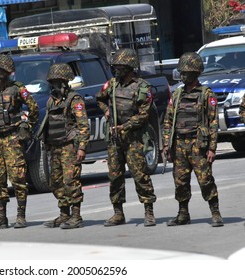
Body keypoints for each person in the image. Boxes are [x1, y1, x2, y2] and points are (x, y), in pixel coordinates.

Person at [96, 48, 157, 227]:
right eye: (116, 68)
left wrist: (125, 126)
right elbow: (99, 98)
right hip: (115, 139)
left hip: (134, 139)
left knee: (140, 175)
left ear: (130, 67)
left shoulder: (142, 87)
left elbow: (143, 115)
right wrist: (106, 111)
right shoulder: (112, 84)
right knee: (115, 176)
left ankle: (149, 211)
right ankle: (118, 213)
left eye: (121, 68)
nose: (117, 71)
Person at [163, 52, 224, 227]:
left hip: (199, 145)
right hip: (179, 145)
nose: (182, 76)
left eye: (186, 73)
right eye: (181, 72)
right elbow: (168, 121)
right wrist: (167, 145)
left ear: (195, 73)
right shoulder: (177, 95)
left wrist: (212, 148)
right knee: (180, 181)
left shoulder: (206, 94)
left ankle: (215, 212)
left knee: (205, 180)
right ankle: (183, 214)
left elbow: (213, 123)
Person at [0, 53, 39, 229]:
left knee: (18, 177)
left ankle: (20, 215)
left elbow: (33, 109)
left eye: (0, 70)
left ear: (7, 71)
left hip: (13, 138)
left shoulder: (18, 90)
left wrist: (26, 127)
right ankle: (1, 216)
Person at [41, 63, 90, 229]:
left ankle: (76, 216)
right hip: (54, 147)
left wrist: (82, 147)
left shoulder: (74, 100)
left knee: (71, 181)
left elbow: (83, 125)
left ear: (64, 82)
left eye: (57, 81)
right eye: (52, 81)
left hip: (69, 146)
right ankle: (64, 214)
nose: (54, 85)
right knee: (55, 182)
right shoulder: (51, 101)